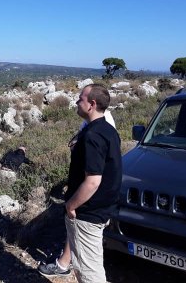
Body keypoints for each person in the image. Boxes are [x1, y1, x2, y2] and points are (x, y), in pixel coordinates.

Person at [38, 84, 122, 282]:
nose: (76, 102)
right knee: (91, 262)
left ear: (92, 104)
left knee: (89, 272)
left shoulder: (92, 136)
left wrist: (71, 205)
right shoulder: (108, 130)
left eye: (80, 99)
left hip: (88, 213)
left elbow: (92, 181)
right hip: (102, 208)